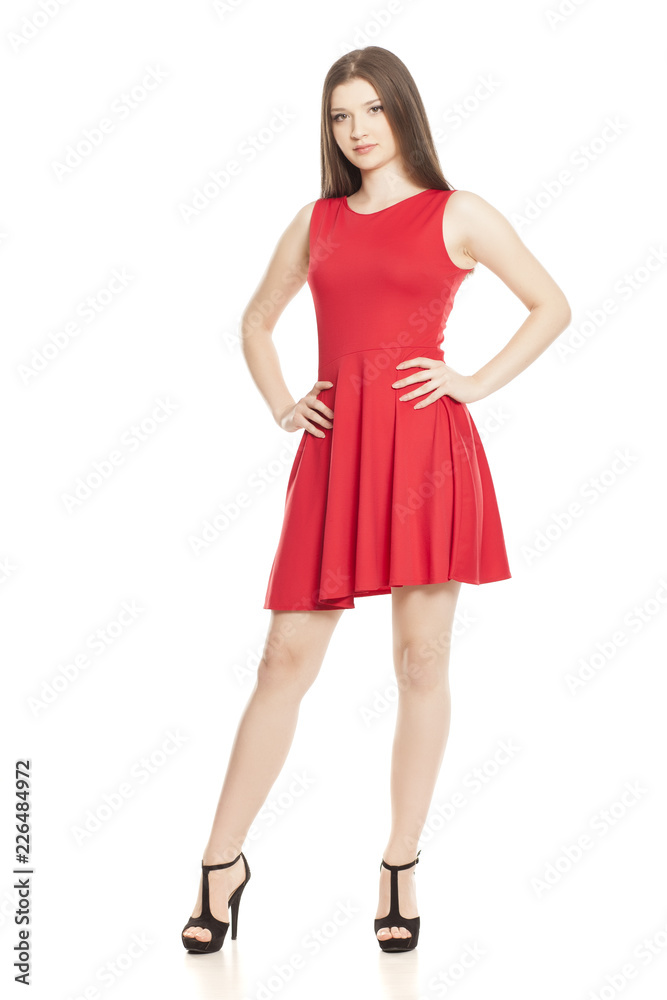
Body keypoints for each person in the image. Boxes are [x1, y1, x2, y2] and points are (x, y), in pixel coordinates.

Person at [181, 45, 571, 955]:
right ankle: (220, 862)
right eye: (338, 115)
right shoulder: (316, 220)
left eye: (369, 111)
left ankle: (398, 862)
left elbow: (549, 304)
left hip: (426, 455)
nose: (354, 131)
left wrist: (471, 381)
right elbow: (254, 320)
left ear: (402, 111)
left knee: (419, 664)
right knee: (282, 660)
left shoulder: (457, 212)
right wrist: (285, 402)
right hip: (335, 454)